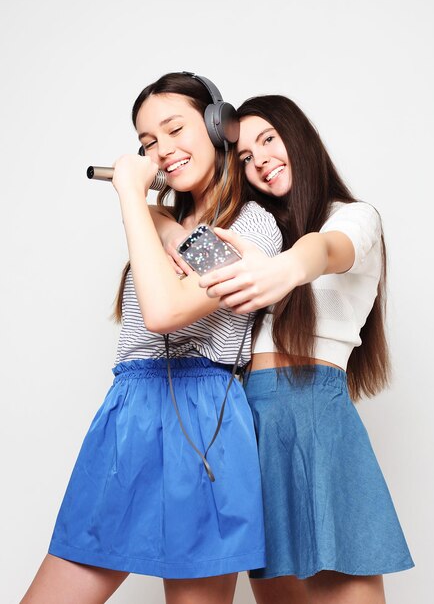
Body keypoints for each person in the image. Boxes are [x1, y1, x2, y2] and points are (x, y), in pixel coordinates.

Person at [20, 74, 282, 604]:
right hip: (132, 407)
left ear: (216, 126)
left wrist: (133, 201)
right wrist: (157, 218)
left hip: (206, 421)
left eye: (174, 129)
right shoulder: (165, 223)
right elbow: (179, 254)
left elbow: (166, 311)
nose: (161, 151)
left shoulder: (255, 230)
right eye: (147, 143)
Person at [195, 95, 415, 604]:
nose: (259, 160)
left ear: (300, 138)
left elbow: (327, 249)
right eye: (245, 157)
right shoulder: (260, 235)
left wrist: (290, 267)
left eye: (268, 140)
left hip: (314, 415)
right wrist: (159, 213)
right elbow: (188, 256)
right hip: (247, 422)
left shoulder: (354, 218)